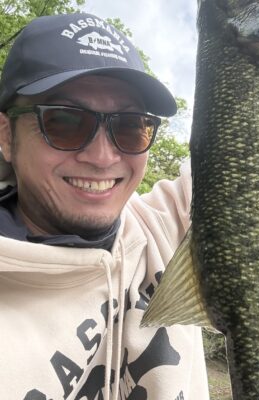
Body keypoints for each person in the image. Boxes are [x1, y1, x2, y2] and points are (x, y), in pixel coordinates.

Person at [0, 12, 209, 400]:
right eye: (64, 122)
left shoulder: (169, 223)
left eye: (130, 126)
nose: (102, 157)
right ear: (6, 136)